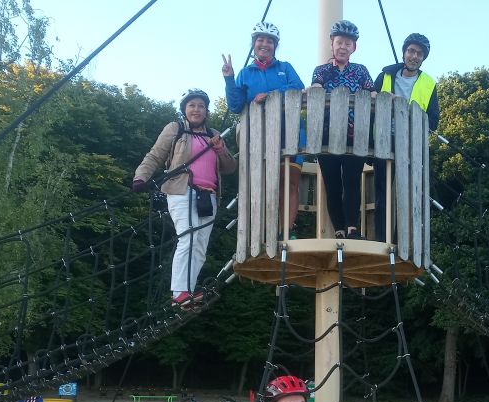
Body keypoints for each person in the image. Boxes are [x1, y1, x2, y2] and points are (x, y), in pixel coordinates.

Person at [132, 89, 236, 307]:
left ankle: (186, 293)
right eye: (192, 105)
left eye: (201, 106)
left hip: (208, 196)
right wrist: (141, 177)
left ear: (206, 111)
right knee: (188, 237)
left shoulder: (213, 134)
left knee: (200, 245)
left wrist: (220, 150)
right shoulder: (176, 129)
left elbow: (229, 168)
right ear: (184, 110)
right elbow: (155, 155)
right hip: (182, 190)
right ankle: (179, 293)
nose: (196, 109)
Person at [222, 22, 305, 239]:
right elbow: (235, 105)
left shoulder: (284, 67)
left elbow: (298, 87)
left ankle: (286, 232)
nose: (265, 44)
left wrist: (270, 94)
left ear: (275, 46)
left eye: (270, 41)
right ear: (253, 44)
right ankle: (267, 232)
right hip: (260, 135)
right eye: (260, 40)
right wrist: (229, 78)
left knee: (290, 182)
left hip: (290, 131)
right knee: (266, 183)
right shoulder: (245, 73)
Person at [372, 33, 440, 242]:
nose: (414, 56)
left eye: (419, 53)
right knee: (382, 191)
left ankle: (400, 241)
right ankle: (382, 239)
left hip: (410, 143)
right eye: (411, 51)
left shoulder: (429, 84)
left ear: (423, 58)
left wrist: (407, 109)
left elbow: (433, 121)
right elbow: (370, 104)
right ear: (404, 53)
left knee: (406, 194)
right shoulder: (385, 76)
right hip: (384, 138)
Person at [311, 20, 375, 240]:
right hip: (326, 134)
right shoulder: (322, 71)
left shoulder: (360, 71)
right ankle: (338, 228)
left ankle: (352, 228)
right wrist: (313, 88)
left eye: (348, 44)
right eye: (339, 42)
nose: (343, 47)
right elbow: (316, 87)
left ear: (353, 47)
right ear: (332, 44)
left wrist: (386, 97)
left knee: (352, 180)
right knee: (332, 183)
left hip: (354, 134)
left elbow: (371, 93)